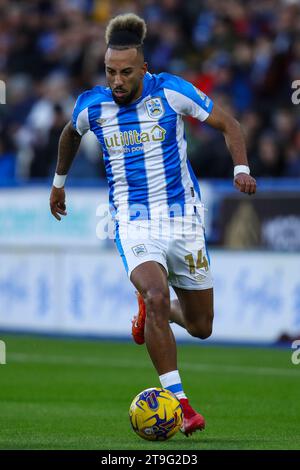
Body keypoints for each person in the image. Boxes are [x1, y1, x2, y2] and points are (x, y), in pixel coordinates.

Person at [49, 13, 256, 436]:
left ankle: (153, 313)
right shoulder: (94, 105)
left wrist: (240, 168)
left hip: (183, 221)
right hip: (133, 221)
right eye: (110, 72)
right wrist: (59, 183)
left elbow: (228, 124)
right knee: (156, 290)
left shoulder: (172, 92)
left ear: (143, 69)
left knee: (202, 326)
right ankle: (181, 404)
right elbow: (70, 134)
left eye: (125, 72)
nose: (117, 81)